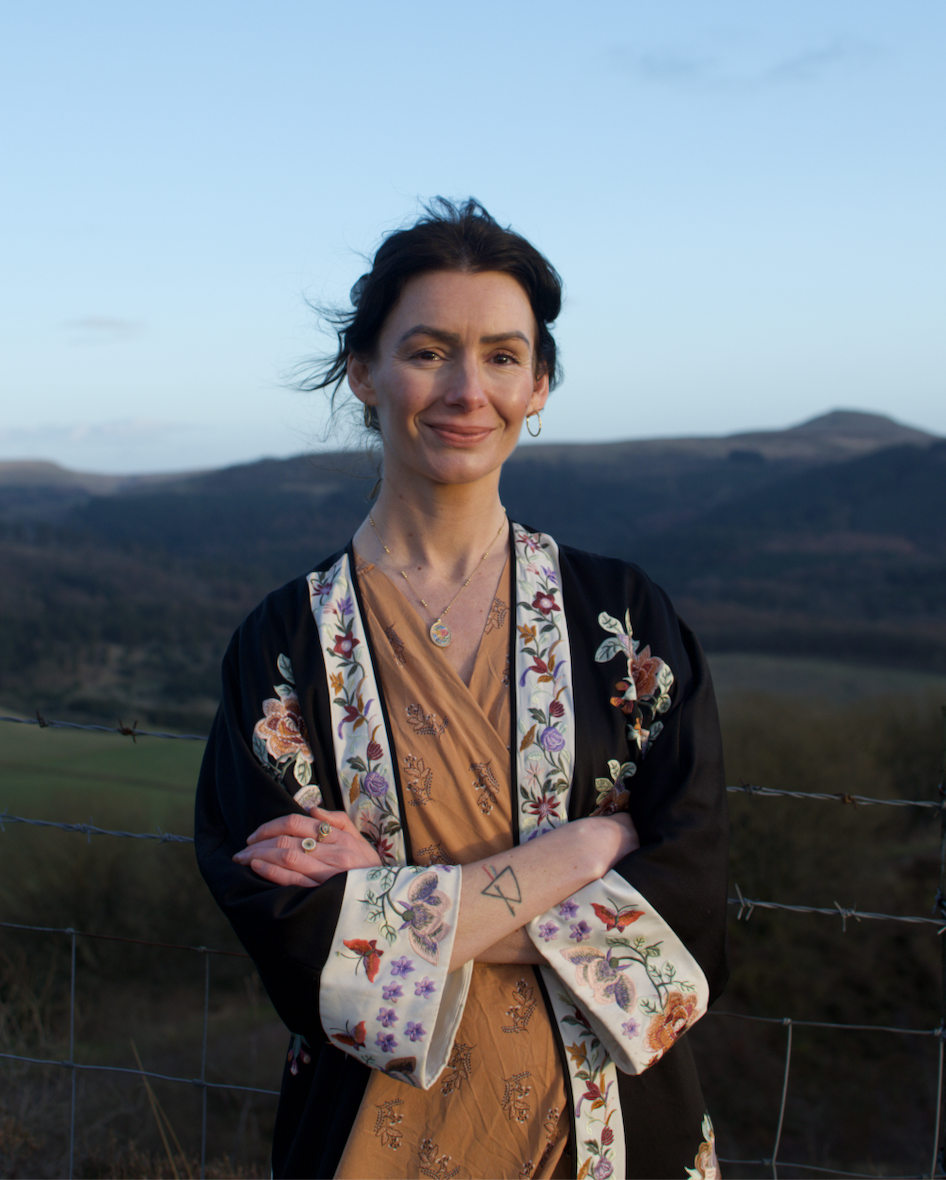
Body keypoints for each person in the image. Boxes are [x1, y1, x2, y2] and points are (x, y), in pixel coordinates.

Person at [195, 198, 728, 1179]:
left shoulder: (622, 623)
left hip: (611, 1137)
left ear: (539, 384)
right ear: (363, 371)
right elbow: (300, 939)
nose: (466, 390)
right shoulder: (282, 648)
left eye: (501, 356)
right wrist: (581, 851)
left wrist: (392, 899)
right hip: (371, 1137)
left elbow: (691, 902)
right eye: (429, 351)